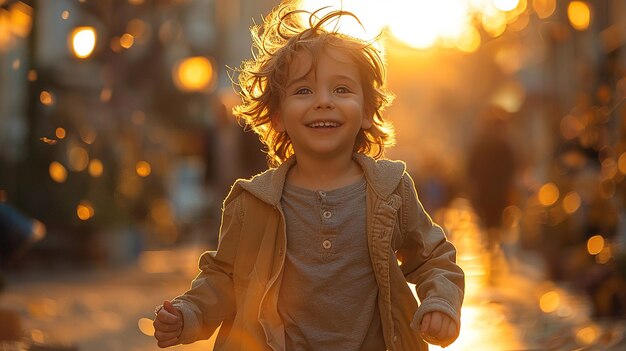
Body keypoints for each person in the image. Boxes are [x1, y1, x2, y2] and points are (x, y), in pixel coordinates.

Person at [153, 1, 464, 350]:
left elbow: (433, 258)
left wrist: (441, 302)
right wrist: (187, 314)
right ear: (277, 117)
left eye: (341, 89)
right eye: (303, 90)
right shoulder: (253, 201)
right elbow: (223, 278)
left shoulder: (390, 189)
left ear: (367, 111)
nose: (323, 101)